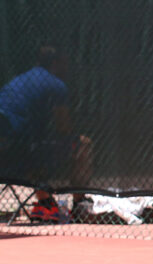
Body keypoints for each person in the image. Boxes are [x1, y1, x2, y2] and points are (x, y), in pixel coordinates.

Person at [0, 45, 92, 223]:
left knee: (36, 149)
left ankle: (45, 202)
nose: (68, 68)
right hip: (18, 148)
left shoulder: (21, 79)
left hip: (9, 151)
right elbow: (63, 128)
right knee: (84, 144)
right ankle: (79, 204)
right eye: (65, 63)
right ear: (56, 63)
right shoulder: (56, 85)